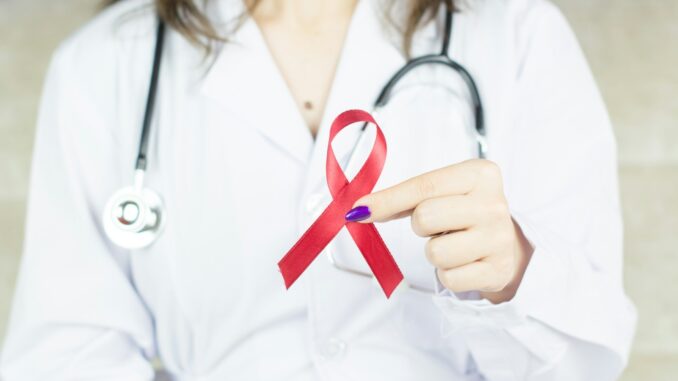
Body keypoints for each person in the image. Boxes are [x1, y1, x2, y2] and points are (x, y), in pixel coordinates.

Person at [0, 0, 637, 380]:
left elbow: (588, 361)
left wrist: (515, 274)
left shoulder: (517, 31)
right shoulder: (105, 63)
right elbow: (66, 357)